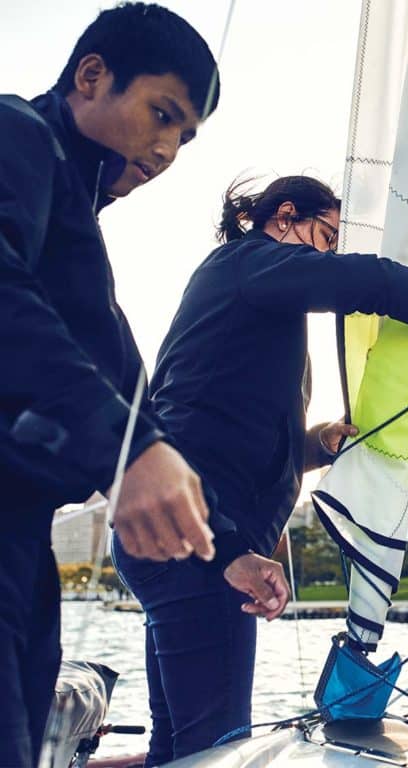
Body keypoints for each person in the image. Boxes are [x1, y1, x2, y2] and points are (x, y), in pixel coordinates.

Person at [113, 174, 408, 763]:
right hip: (196, 542)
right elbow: (365, 279)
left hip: (172, 538)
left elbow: (219, 426)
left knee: (179, 747)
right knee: (215, 751)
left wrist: (317, 445)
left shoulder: (242, 292)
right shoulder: (248, 263)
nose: (326, 254)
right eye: (325, 236)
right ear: (284, 216)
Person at [0, 6, 222, 765]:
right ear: (90, 76)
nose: (165, 150)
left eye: (185, 137)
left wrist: (226, 552)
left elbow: (140, 411)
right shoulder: (14, 134)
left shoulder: (74, 241)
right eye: (162, 115)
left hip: (20, 551)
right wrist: (127, 447)